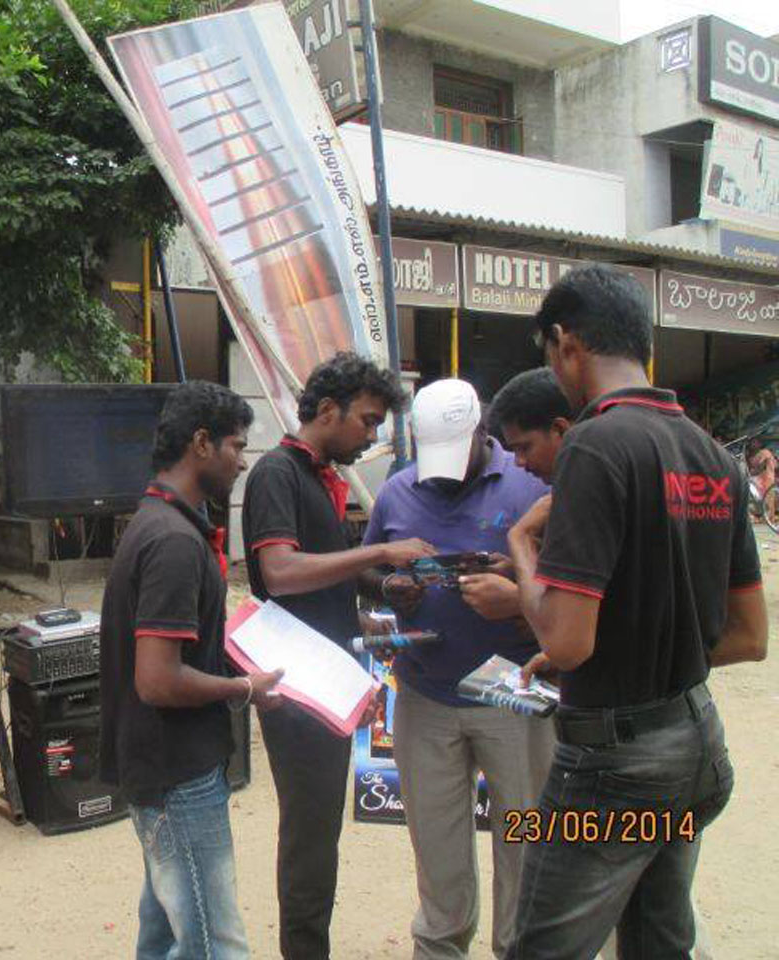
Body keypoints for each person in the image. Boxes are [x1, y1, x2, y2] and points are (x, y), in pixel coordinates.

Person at [506, 263, 769, 959]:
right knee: (659, 941)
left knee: (541, 949)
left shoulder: (595, 443)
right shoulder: (713, 455)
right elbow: (749, 635)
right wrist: (633, 651)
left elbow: (567, 641)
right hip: (696, 751)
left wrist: (521, 547)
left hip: (614, 772)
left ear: (567, 343)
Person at [241, 351, 434, 960]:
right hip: (296, 685)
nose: (372, 436)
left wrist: (379, 595)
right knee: (310, 835)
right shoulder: (277, 473)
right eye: (368, 421)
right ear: (328, 410)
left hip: (324, 676)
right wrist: (378, 554)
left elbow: (322, 580)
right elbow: (280, 572)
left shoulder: (318, 477)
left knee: (319, 831)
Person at [356, 377, 555, 960]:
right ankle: (440, 945)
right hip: (426, 697)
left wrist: (515, 590)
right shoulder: (398, 491)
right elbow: (367, 569)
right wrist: (391, 588)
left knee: (525, 840)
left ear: (481, 433)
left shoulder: (532, 484)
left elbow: (574, 584)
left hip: (515, 694)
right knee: (436, 845)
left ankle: (520, 949)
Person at [99, 380, 284, 960]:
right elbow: (157, 680)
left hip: (168, 767)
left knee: (163, 933)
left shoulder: (160, 522)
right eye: (237, 445)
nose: (243, 461)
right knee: (213, 943)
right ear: (202, 444)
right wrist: (243, 688)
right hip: (177, 774)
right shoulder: (174, 542)